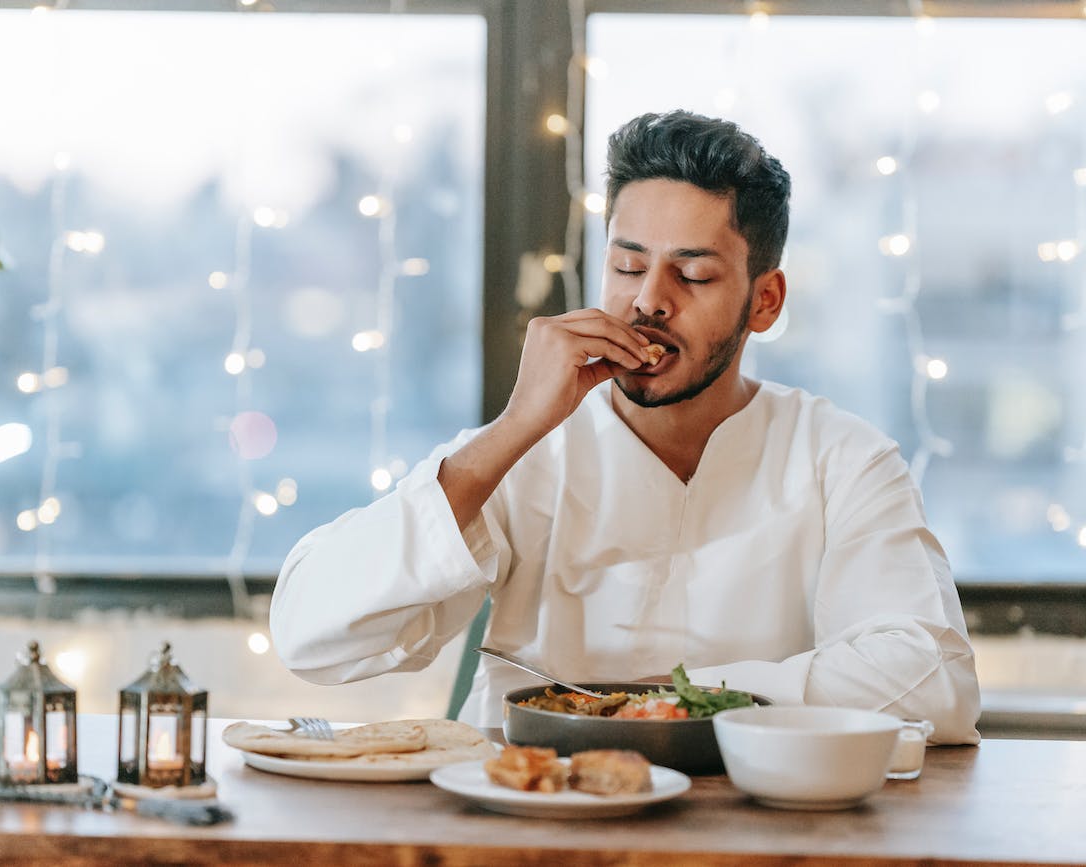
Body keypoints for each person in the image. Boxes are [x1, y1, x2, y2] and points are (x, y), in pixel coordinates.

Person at [271, 110, 981, 744]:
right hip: (532, 820)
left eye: (693, 276)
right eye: (627, 265)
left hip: (752, 831)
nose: (648, 300)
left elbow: (935, 682)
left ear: (764, 301)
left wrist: (687, 703)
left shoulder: (842, 457)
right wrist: (514, 427)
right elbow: (310, 638)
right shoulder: (530, 448)